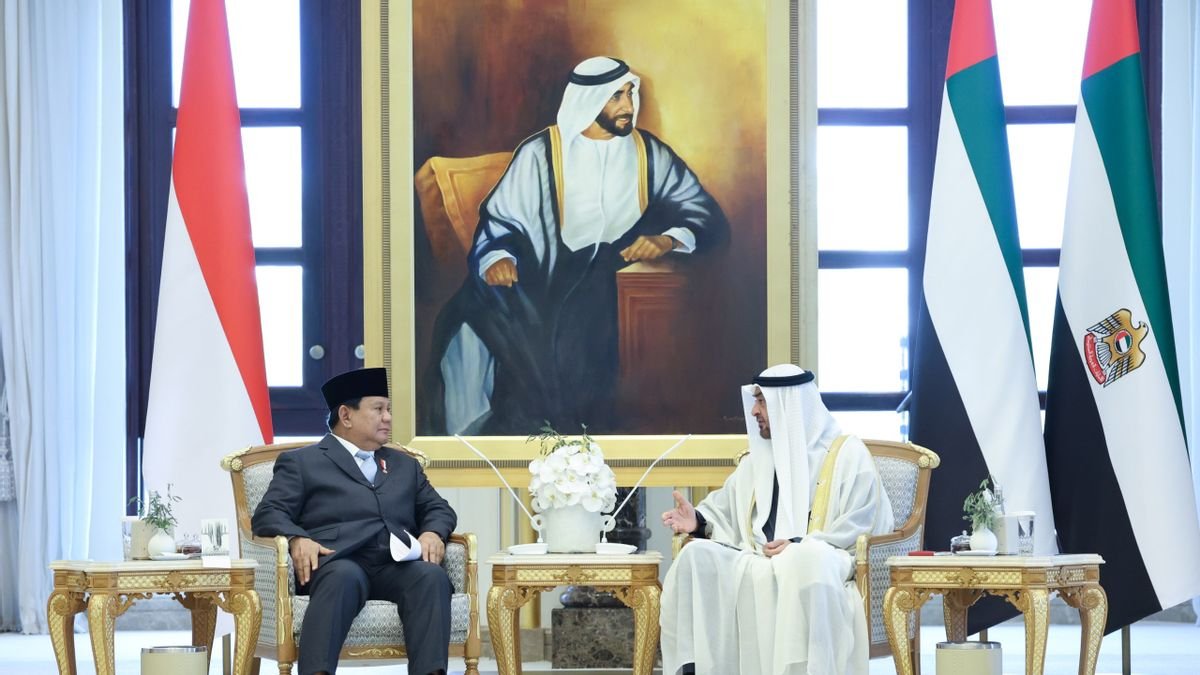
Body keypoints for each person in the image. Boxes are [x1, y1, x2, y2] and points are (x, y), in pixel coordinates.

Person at [423, 55, 730, 436]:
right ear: (589, 100)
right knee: (469, 312)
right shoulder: (541, 153)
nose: (628, 106)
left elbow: (703, 212)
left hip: (607, 273)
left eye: (630, 94)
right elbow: (501, 220)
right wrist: (497, 255)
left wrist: (667, 239)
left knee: (581, 330)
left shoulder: (648, 153)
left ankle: (571, 431)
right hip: (540, 270)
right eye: (616, 97)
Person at [659, 364, 894, 675]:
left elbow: (862, 520)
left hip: (818, 557)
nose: (754, 411)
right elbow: (725, 510)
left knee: (805, 559)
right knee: (694, 555)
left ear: (790, 405)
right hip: (758, 559)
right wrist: (699, 522)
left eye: (762, 402)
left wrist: (799, 543)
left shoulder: (847, 454)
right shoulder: (757, 459)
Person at [252, 367, 457, 675]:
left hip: (394, 566)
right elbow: (269, 512)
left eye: (388, 410)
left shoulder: (405, 465)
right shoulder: (303, 462)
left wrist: (432, 533)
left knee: (431, 577)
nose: (388, 418)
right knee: (344, 577)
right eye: (378, 409)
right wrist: (297, 538)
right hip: (339, 562)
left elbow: (438, 508)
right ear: (346, 416)